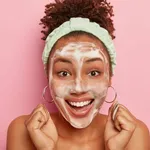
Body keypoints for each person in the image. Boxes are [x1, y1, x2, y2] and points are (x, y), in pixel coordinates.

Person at [6, 0, 150, 150]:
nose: (78, 88)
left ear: (109, 77)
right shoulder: (24, 131)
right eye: (64, 73)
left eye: (93, 73)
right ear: (48, 77)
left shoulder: (133, 134)